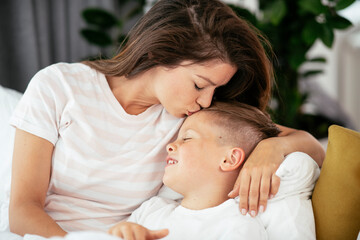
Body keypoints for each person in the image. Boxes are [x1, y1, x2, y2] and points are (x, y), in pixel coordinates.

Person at [9, 0, 325, 238]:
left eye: (216, 89)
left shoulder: (190, 122)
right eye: (200, 84)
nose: (206, 100)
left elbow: (312, 146)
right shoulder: (59, 86)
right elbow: (23, 210)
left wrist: (271, 150)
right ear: (158, 54)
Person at [108, 101, 281, 240]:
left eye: (187, 138)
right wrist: (120, 232)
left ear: (229, 159)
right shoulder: (151, 211)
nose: (170, 146)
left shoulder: (237, 226)